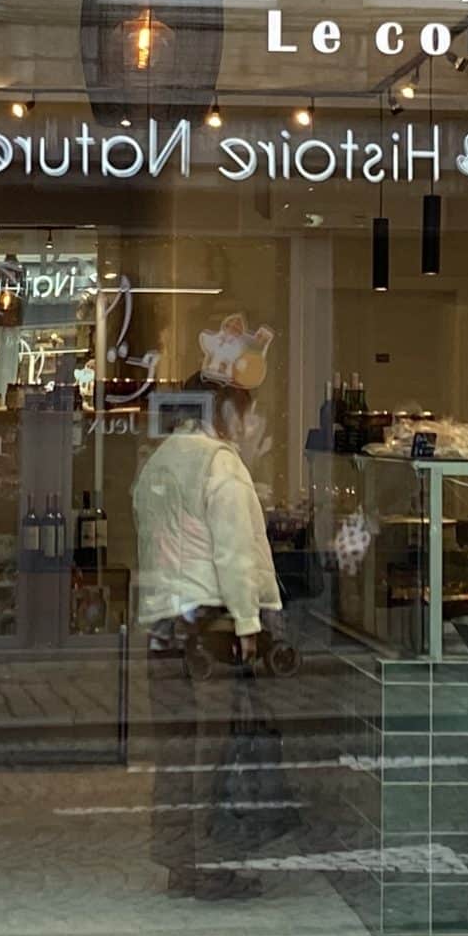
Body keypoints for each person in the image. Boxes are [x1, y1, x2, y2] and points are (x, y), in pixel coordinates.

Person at [134, 383, 284, 901]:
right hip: (210, 622)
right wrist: (248, 622)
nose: (251, 425)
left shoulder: (158, 462)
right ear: (226, 415)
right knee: (213, 750)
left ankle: (178, 859)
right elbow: (235, 551)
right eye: (247, 415)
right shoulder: (220, 465)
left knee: (175, 750)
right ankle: (209, 865)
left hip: (163, 622)